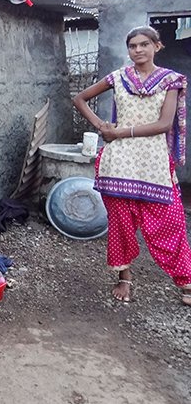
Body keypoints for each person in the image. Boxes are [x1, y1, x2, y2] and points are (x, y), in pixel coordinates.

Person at [74, 26, 190, 307]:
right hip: (119, 163)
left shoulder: (169, 81)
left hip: (153, 163)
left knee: (170, 222)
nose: (137, 50)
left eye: (143, 45)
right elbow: (79, 99)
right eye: (133, 46)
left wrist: (119, 132)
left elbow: (164, 124)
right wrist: (101, 126)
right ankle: (124, 278)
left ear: (156, 46)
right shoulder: (118, 78)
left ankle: (186, 279)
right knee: (121, 224)